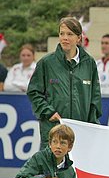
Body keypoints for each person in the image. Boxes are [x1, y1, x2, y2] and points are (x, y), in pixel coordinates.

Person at [27, 17, 102, 150]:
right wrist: (48, 112)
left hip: (80, 132)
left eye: (70, 34)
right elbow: (34, 92)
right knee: (52, 169)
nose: (64, 38)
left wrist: (92, 125)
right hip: (53, 129)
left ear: (79, 38)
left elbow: (94, 98)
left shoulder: (89, 63)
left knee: (76, 170)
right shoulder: (46, 63)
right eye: (62, 34)